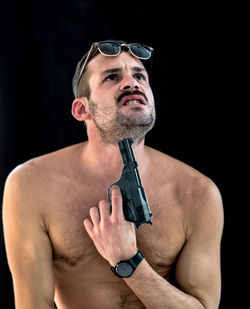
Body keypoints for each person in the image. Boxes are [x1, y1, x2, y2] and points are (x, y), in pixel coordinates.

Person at [2, 40, 224, 309]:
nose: (132, 83)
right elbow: (33, 304)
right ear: (82, 109)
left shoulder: (198, 193)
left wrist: (129, 262)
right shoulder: (30, 184)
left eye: (139, 75)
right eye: (112, 77)